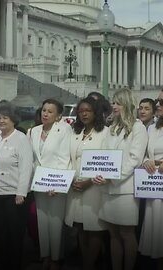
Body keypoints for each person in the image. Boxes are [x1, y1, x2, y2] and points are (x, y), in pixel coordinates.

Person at [92, 89, 147, 270]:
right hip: (108, 189)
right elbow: (103, 155)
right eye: (113, 103)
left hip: (125, 190)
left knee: (127, 233)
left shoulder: (138, 128)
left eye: (117, 103)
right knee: (113, 233)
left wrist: (112, 178)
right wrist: (99, 173)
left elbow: (134, 159)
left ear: (127, 105)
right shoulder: (112, 128)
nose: (113, 106)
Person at [0, 102, 33, 270]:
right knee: (1, 233)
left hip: (14, 195)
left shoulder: (21, 139)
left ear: (14, 119)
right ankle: (4, 264)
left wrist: (21, 192)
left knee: (14, 235)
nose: (1, 121)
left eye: (5, 118)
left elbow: (26, 167)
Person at [27, 98, 72, 270]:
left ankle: (56, 258)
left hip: (56, 184)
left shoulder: (64, 130)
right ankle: (45, 255)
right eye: (44, 110)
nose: (45, 114)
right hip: (39, 183)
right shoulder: (33, 131)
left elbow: (64, 158)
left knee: (55, 222)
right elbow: (31, 159)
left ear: (59, 115)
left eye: (50, 111)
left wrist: (57, 183)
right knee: (42, 220)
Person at [64, 97, 108, 270]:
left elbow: (107, 161)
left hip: (94, 186)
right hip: (75, 185)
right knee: (80, 226)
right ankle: (85, 262)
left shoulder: (105, 132)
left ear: (95, 112)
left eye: (87, 110)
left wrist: (89, 182)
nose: (83, 113)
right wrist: (72, 179)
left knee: (94, 227)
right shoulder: (75, 133)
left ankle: (90, 265)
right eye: (81, 110)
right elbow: (68, 158)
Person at [139, 89, 163, 270]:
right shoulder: (152, 128)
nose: (157, 105)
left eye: (161, 102)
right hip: (155, 187)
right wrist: (147, 161)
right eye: (157, 101)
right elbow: (145, 153)